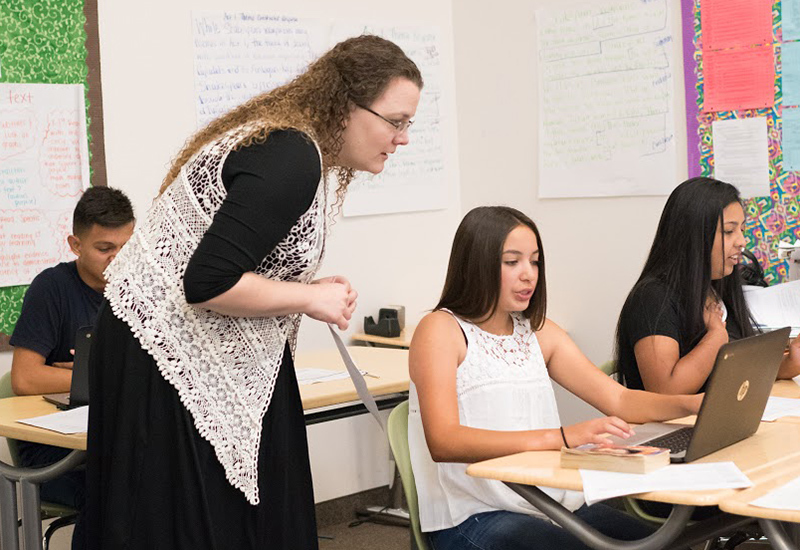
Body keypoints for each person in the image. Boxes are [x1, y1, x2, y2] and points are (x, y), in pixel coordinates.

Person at [81, 35, 422, 550]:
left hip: (176, 347)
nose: (402, 139)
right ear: (346, 107)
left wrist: (305, 288)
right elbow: (206, 283)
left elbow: (236, 262)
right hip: (165, 357)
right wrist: (309, 299)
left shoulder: (295, 147)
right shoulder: (292, 156)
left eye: (408, 124)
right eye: (395, 121)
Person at [408, 206, 703, 550]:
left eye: (534, 262)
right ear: (477, 265)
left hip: (549, 505)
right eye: (512, 261)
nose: (528, 274)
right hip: (473, 515)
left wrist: (692, 404)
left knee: (661, 544)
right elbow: (444, 441)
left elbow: (619, 400)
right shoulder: (440, 330)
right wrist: (563, 436)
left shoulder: (538, 330)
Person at [9, 186, 134, 516]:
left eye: (126, 246)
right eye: (105, 248)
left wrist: (83, 373)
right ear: (76, 245)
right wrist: (95, 374)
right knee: (130, 493)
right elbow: (24, 378)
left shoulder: (138, 290)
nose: (117, 258)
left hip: (115, 440)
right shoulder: (51, 288)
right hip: (57, 455)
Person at [615, 177, 800, 395]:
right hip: (674, 427)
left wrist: (786, 365)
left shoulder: (718, 289)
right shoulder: (652, 298)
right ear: (693, 236)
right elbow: (666, 391)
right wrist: (715, 337)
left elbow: (736, 371)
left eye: (742, 229)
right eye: (729, 231)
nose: (742, 241)